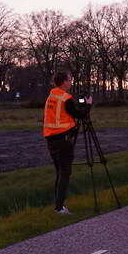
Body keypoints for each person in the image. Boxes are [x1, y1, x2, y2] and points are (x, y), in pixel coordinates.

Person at [43, 72, 92, 214]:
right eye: (70, 80)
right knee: (65, 173)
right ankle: (59, 208)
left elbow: (69, 112)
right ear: (64, 81)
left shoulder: (52, 96)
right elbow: (80, 115)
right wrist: (88, 105)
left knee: (59, 172)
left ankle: (58, 205)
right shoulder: (65, 98)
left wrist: (80, 105)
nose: (71, 82)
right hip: (63, 141)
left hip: (50, 139)